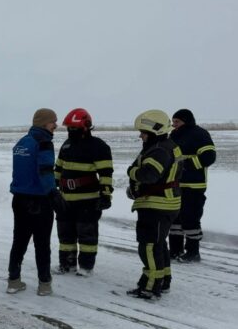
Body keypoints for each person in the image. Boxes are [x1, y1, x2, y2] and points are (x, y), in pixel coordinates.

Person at [126, 110, 181, 299]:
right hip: (165, 204)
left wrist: (132, 172)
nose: (140, 135)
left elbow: (148, 175)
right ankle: (164, 281)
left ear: (154, 131)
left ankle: (150, 286)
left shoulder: (159, 150)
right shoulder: (165, 146)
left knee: (148, 246)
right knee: (158, 244)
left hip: (156, 205)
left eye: (143, 132)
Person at [7, 108, 62, 296]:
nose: (56, 125)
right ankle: (44, 284)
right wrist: (53, 193)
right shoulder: (44, 142)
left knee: (19, 241)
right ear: (43, 123)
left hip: (19, 199)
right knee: (42, 243)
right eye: (53, 121)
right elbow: (45, 171)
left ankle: (13, 281)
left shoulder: (22, 142)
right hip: (39, 201)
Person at [54, 108, 114, 277]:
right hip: (65, 200)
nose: (71, 131)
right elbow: (58, 170)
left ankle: (86, 268)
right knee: (65, 236)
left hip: (88, 201)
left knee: (87, 237)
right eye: (69, 128)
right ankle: (67, 265)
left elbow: (106, 174)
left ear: (86, 127)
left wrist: (106, 195)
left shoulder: (99, 147)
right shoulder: (66, 146)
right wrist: (52, 190)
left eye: (74, 128)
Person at [168, 109, 217, 263]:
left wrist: (185, 165)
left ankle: (193, 252)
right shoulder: (174, 135)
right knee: (174, 218)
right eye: (173, 121)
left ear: (186, 121)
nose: (174, 124)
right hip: (175, 184)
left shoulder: (200, 134)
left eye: (177, 121)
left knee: (190, 218)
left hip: (194, 185)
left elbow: (209, 157)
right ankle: (175, 250)